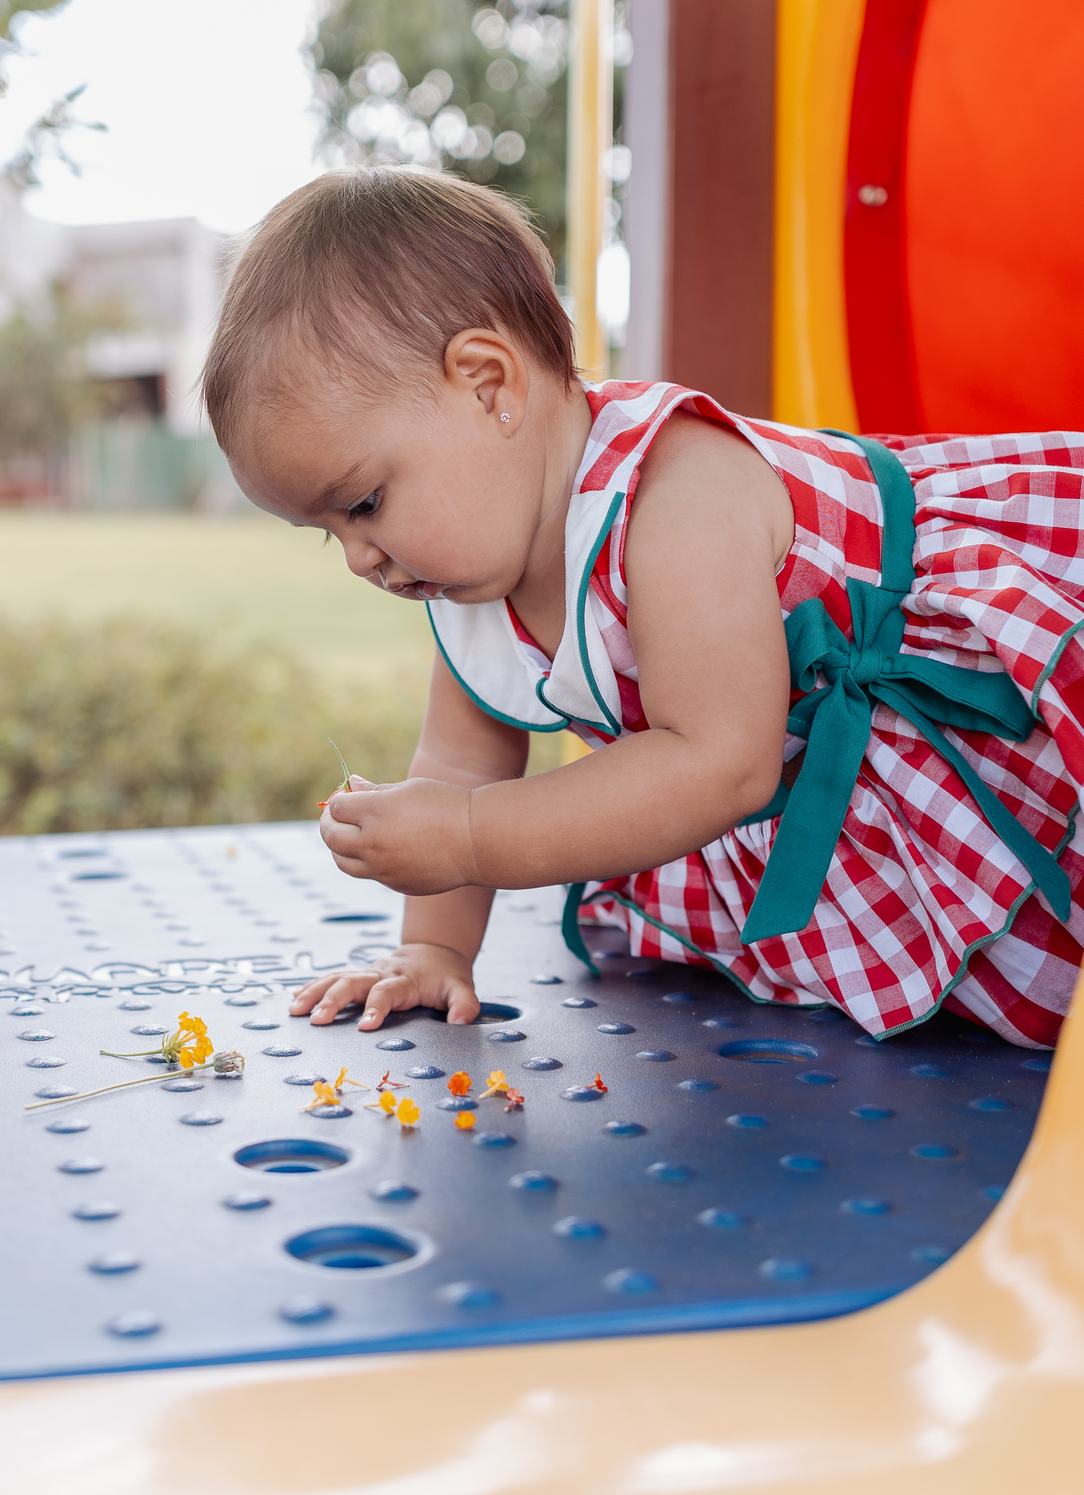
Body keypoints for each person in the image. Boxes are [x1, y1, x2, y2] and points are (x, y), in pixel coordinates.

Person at [202, 168, 1084, 1051]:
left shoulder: (675, 495)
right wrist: (432, 948)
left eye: (362, 505)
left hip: (971, 710)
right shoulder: (472, 576)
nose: (360, 558)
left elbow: (721, 762)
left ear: (487, 385)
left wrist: (469, 838)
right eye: (326, 532)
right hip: (827, 789)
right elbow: (459, 768)